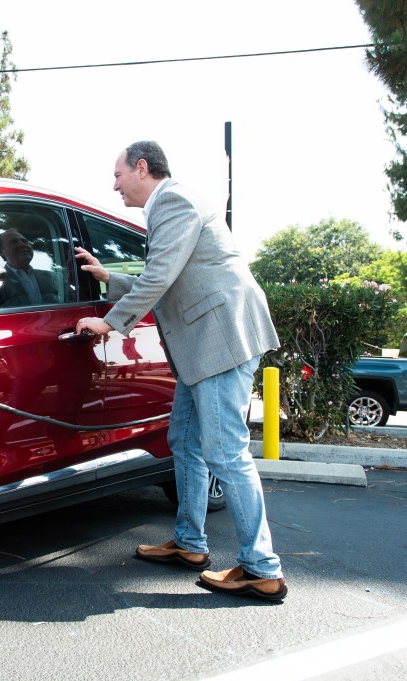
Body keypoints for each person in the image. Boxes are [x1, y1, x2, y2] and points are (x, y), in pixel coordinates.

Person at [75, 141, 287, 602]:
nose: (114, 185)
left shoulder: (172, 199)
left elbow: (160, 276)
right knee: (184, 441)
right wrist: (109, 277)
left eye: (118, 175)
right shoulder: (173, 205)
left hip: (220, 341)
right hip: (204, 346)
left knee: (226, 452)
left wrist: (109, 321)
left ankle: (262, 568)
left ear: (142, 167)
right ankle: (190, 545)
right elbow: (168, 276)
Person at [0, 228, 59, 308]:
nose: (22, 245)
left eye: (25, 241)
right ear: (1, 252)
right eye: (14, 242)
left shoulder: (54, 277)